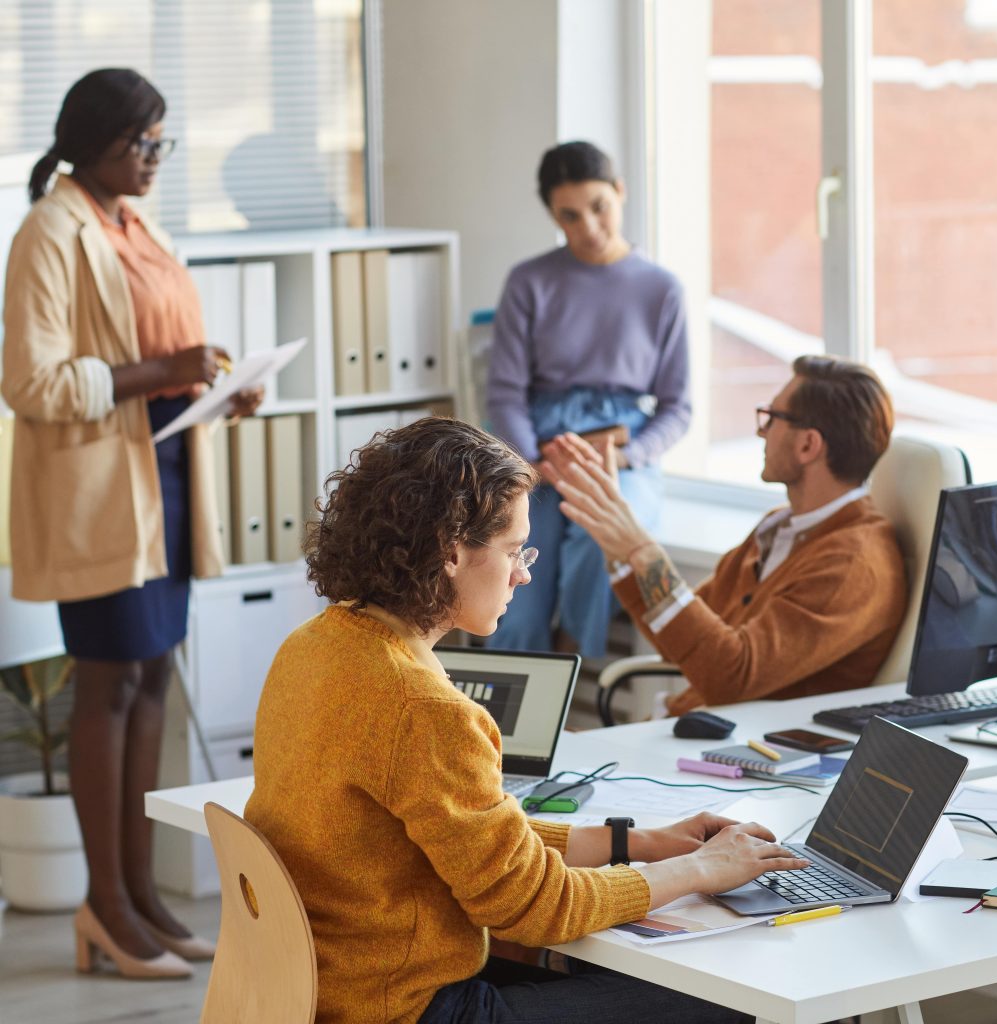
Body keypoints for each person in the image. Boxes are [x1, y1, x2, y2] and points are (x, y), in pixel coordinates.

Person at [245, 416, 806, 1024]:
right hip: (406, 1010)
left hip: (322, 991)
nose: (524, 573)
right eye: (514, 550)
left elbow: (471, 843)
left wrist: (637, 843)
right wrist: (700, 868)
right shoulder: (423, 708)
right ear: (452, 552)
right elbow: (537, 907)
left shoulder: (313, 645)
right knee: (732, 998)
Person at [1, 69, 263, 979]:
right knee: (108, 684)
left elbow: (159, 349)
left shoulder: (132, 221)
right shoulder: (49, 230)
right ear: (94, 143)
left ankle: (143, 896)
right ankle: (105, 906)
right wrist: (164, 373)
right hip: (101, 486)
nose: (155, 160)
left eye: (162, 143)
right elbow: (29, 383)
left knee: (153, 678)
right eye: (142, 144)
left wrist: (215, 383)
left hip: (168, 469)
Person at [543, 355, 908, 716]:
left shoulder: (851, 565)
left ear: (808, 445)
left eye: (772, 419)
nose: (760, 431)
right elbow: (678, 644)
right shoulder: (780, 529)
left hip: (741, 755)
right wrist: (616, 546)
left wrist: (642, 551)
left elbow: (730, 677)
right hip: (688, 732)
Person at [486, 140, 690, 658]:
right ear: (554, 216)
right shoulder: (529, 281)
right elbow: (506, 391)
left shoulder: (662, 288)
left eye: (599, 207)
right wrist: (533, 464)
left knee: (598, 544)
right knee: (505, 553)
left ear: (620, 193)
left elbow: (677, 406)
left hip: (621, 446)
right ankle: (512, 699)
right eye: (570, 217)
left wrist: (624, 457)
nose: (590, 227)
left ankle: (569, 664)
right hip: (537, 442)